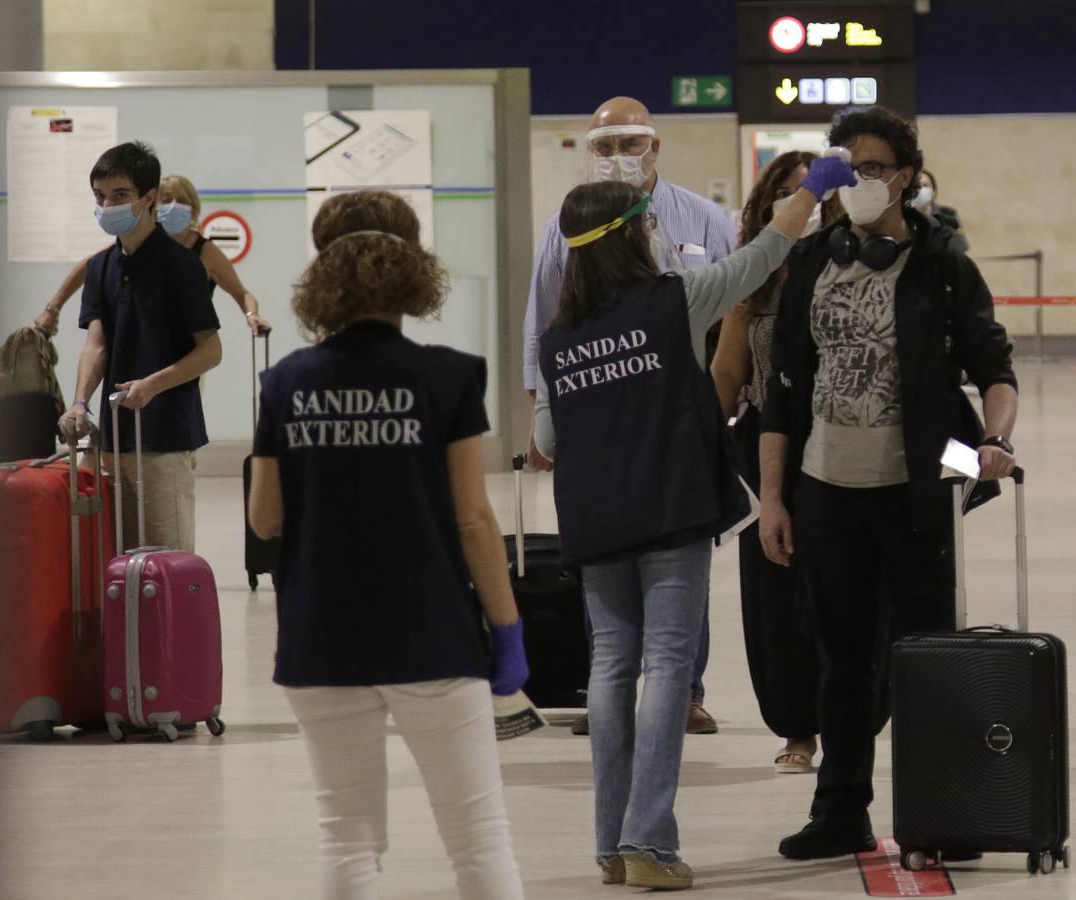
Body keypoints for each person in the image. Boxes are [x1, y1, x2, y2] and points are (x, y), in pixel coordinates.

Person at [532, 155, 855, 890]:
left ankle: (613, 846)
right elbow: (765, 253)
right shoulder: (670, 301)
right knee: (670, 667)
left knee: (611, 669)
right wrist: (813, 187)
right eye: (647, 224)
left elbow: (548, 443)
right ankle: (651, 840)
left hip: (595, 521)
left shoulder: (557, 340)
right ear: (630, 238)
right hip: (670, 513)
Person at [247, 190, 527, 899]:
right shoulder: (447, 375)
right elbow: (472, 520)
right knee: (476, 837)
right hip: (429, 632)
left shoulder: (285, 383)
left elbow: (264, 520)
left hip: (319, 637)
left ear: (323, 273)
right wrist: (507, 626)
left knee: (347, 835)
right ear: (412, 268)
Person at [757, 107, 1019, 861]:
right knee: (841, 661)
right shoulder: (812, 262)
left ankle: (943, 810)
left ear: (906, 176)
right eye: (846, 169)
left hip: (917, 490)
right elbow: (783, 393)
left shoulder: (943, 266)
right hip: (825, 492)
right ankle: (840, 810)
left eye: (872, 168)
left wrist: (995, 441)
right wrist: (775, 497)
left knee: (926, 656)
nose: (858, 182)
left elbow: (994, 369)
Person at [522, 95, 737, 736]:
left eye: (630, 144)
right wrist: (542, 411)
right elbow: (543, 322)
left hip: (681, 415)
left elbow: (734, 310)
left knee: (684, 547)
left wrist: (729, 395)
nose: (618, 158)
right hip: (599, 411)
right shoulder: (565, 227)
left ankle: (686, 689)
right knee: (603, 546)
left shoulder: (704, 220)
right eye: (605, 147)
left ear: (656, 147)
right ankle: (608, 691)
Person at [710, 150, 827, 776]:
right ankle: (797, 728)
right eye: (786, 191)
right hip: (764, 446)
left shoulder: (848, 267)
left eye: (810, 192)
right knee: (776, 589)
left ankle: (850, 716)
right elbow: (728, 373)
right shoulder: (751, 280)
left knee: (841, 586)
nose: (798, 203)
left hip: (839, 437)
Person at [59, 142, 223, 553]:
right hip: (113, 440)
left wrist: (153, 385)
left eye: (120, 196)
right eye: (99, 197)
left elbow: (210, 350)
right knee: (113, 557)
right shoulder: (100, 268)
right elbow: (96, 345)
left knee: (163, 559)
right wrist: (80, 401)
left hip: (164, 438)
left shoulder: (182, 266)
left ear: (149, 198)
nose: (107, 205)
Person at [34, 174, 272, 337]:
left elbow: (241, 293)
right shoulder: (142, 239)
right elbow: (91, 266)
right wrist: (53, 308)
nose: (172, 206)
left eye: (181, 201)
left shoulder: (204, 250)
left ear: (193, 208)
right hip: (140, 336)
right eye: (166, 200)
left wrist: (252, 315)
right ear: (152, 204)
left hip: (187, 347)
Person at [909, 167, 970, 254]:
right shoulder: (900, 218)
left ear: (933, 190)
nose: (920, 190)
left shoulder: (948, 216)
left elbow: (959, 251)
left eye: (925, 185)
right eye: (916, 186)